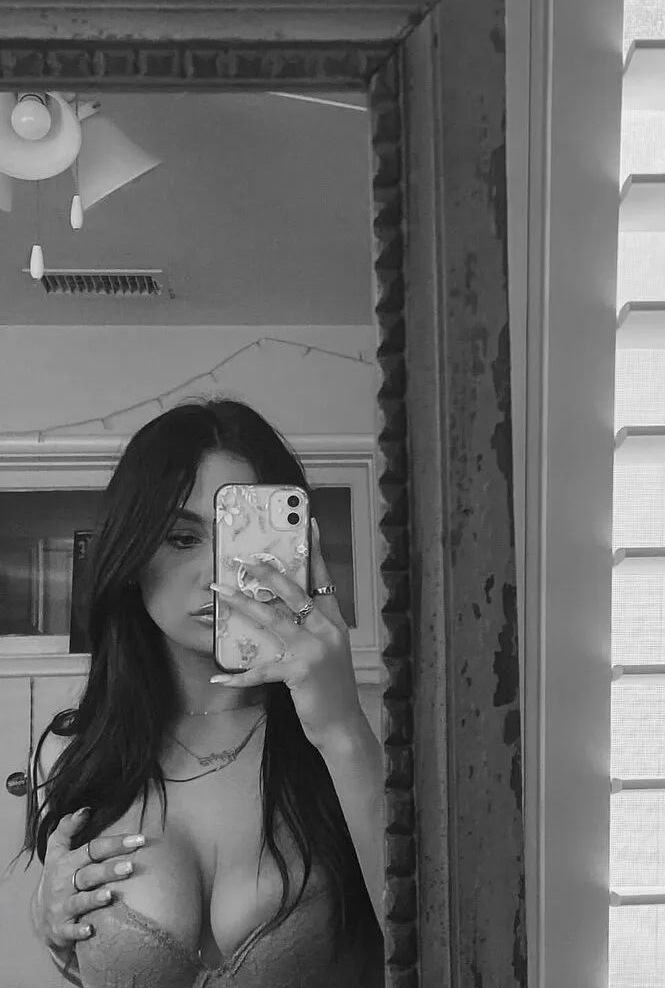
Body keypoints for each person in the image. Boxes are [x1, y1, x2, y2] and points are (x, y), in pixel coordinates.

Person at [12, 397, 385, 987]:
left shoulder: (365, 732)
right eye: (182, 538)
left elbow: (445, 934)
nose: (218, 574)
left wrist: (341, 731)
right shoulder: (73, 754)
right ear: (132, 554)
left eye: (242, 539)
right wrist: (50, 923)